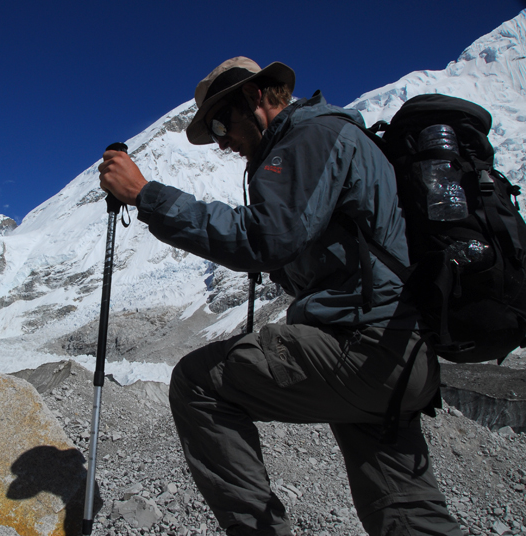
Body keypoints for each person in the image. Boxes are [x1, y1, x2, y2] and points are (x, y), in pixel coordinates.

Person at [98, 57, 462, 536]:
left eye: (222, 124)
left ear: (255, 98)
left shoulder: (308, 139)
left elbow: (265, 239)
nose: (223, 142)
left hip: (361, 345)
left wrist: (145, 194)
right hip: (400, 354)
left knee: (199, 384)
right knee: (406, 510)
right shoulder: (336, 138)